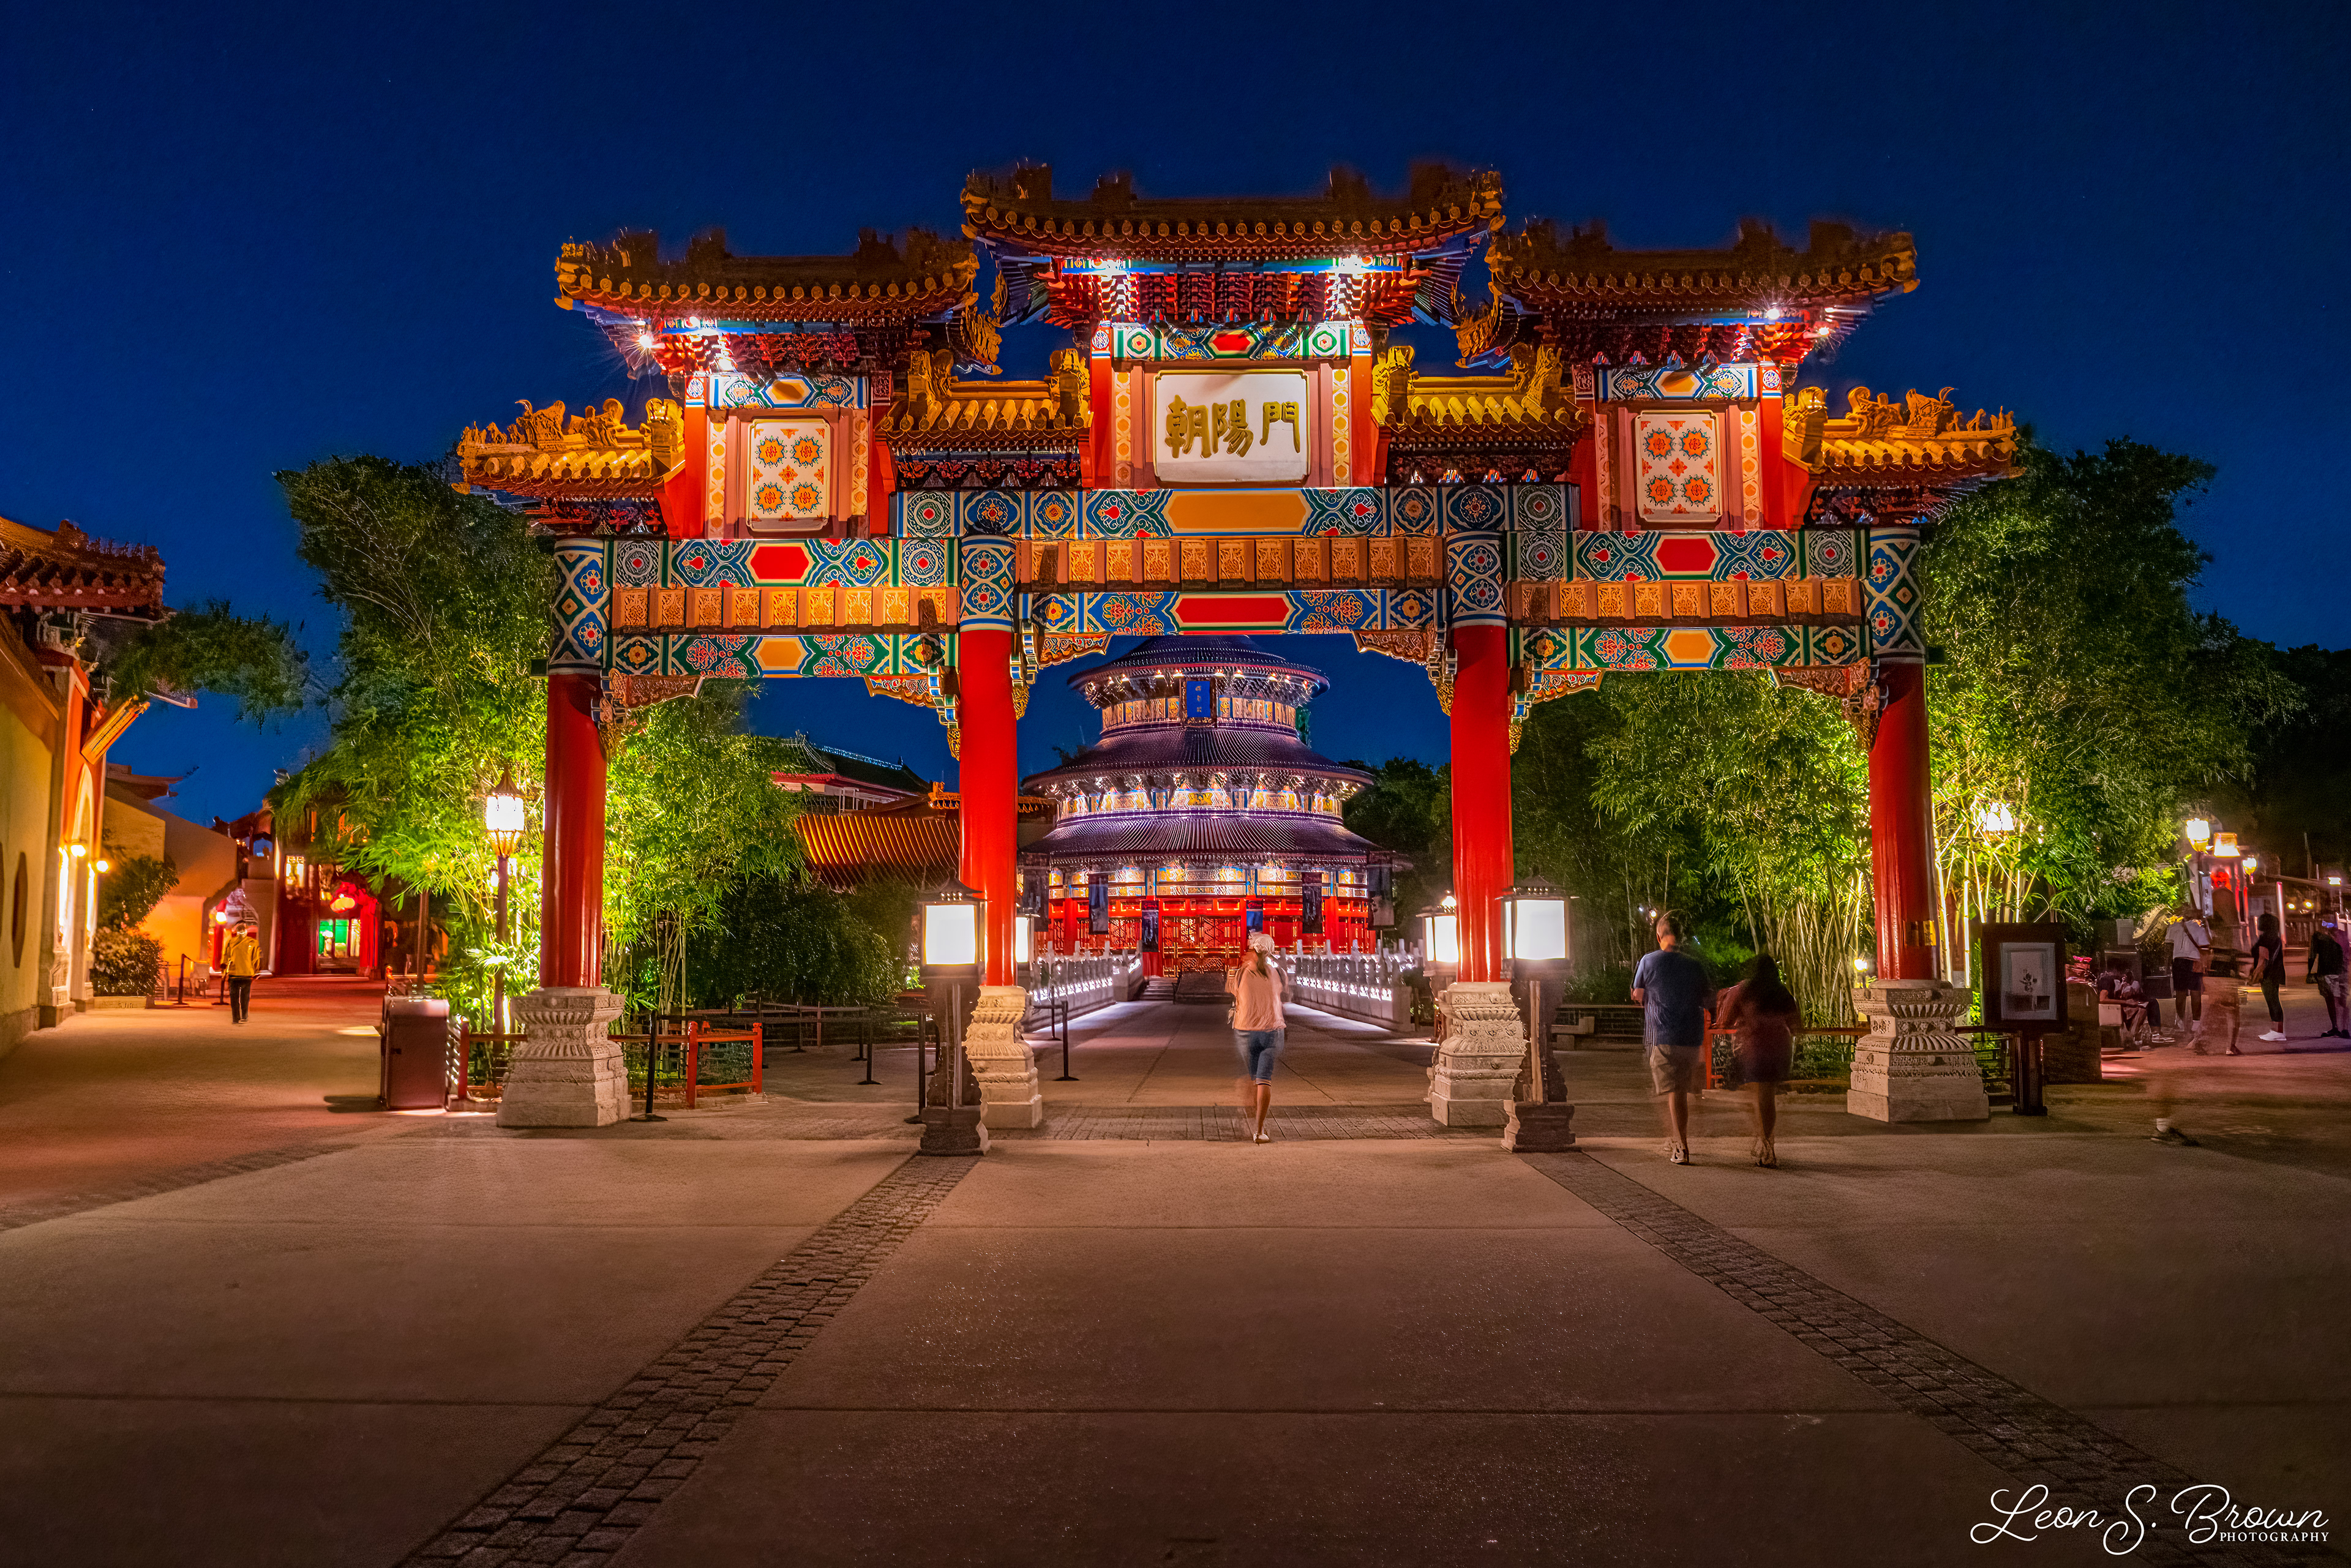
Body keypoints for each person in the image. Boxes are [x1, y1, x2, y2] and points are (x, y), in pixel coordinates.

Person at [1631, 910, 1714, 1165]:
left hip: (1664, 1035)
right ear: (1680, 935)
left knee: (1674, 1093)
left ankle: (1681, 1146)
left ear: (1659, 935)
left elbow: (1637, 994)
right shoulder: (1695, 965)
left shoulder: (1648, 961)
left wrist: (1651, 996)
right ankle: (1678, 1139)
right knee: (1680, 1092)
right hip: (1692, 1037)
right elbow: (1709, 999)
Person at [1713, 954, 1799, 1168]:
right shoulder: (1781, 991)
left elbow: (1729, 1018)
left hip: (1756, 1046)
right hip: (1780, 1046)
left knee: (1757, 1096)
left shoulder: (1747, 991)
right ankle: (1765, 1140)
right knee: (1766, 1095)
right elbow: (1796, 1023)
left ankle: (1765, 1142)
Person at [1227, 932, 1288, 1144]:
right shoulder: (1278, 973)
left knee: (1254, 1078)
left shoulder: (1240, 973)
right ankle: (1259, 1130)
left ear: (1252, 950)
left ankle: (1251, 1104)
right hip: (1273, 1031)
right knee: (1264, 1080)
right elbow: (1283, 995)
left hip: (1246, 1031)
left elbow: (1233, 993)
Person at [2167, 907, 2211, 1033]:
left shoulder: (2174, 927)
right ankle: (2196, 1022)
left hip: (2179, 962)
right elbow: (2205, 947)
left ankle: (2180, 1020)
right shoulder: (2199, 928)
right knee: (2195, 992)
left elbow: (2168, 945)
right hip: (2194, 961)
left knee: (2180, 993)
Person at [2250, 913, 2289, 1043]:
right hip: (2276, 972)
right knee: (2274, 1001)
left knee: (2272, 1002)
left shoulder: (2265, 938)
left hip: (2268, 974)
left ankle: (2278, 1032)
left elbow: (2263, 958)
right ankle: (2277, 1031)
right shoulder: (2276, 938)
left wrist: (2256, 974)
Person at [2308, 917, 2348, 1039]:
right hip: (2342, 971)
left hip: (2326, 972)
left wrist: (2309, 973)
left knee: (2331, 1000)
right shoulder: (2342, 935)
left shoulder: (2318, 937)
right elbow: (2347, 953)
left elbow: (2312, 955)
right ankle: (2345, 1029)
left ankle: (2335, 1027)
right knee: (2342, 1001)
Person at [222, 923, 260, 1025]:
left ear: (236, 932)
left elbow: (226, 958)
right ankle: (244, 1016)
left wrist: (224, 972)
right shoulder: (253, 942)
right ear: (246, 931)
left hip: (234, 974)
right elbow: (256, 959)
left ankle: (235, 1018)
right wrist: (256, 972)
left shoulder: (231, 942)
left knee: (234, 998)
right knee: (245, 997)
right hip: (247, 974)